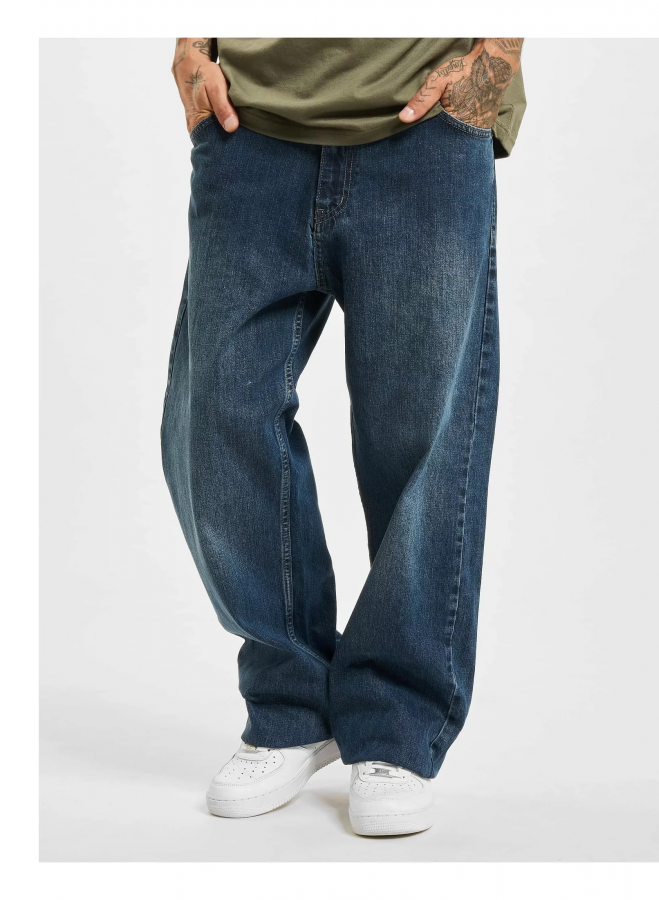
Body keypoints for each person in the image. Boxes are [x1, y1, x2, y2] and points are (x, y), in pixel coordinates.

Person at [163, 37, 525, 836]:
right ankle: (291, 703)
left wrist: (494, 57)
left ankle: (396, 724)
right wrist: (190, 46)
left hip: (424, 127)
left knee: (420, 440)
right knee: (211, 418)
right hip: (248, 125)